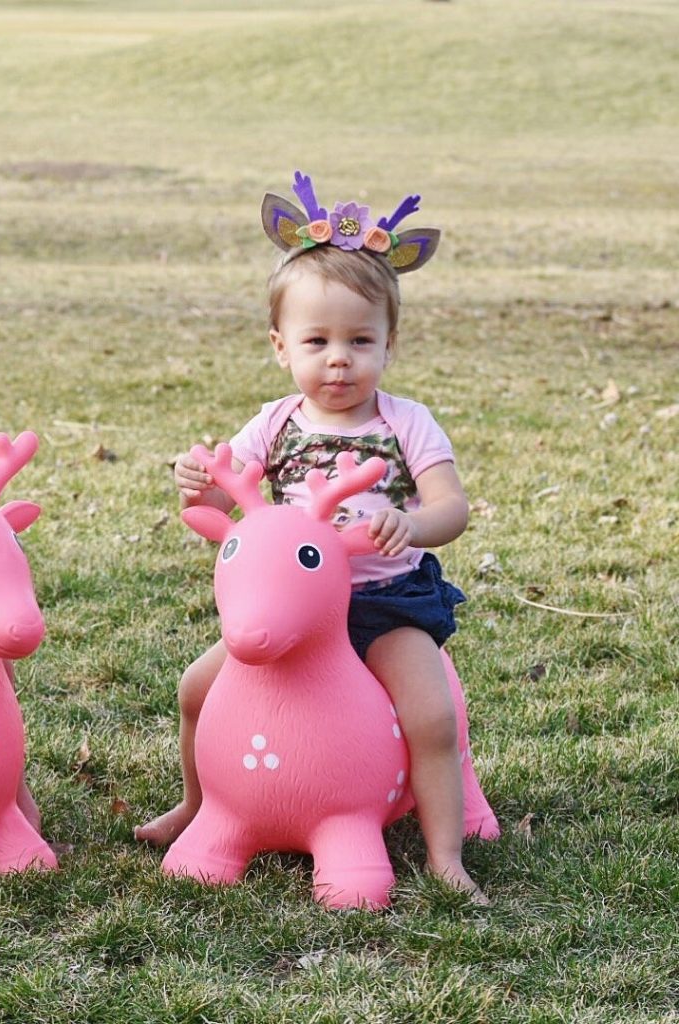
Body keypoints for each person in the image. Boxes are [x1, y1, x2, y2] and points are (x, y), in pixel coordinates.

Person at [136, 172, 488, 902]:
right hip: (292, 613)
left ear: (390, 342)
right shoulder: (273, 423)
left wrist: (411, 523)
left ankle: (446, 851)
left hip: (385, 603)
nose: (339, 359)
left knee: (429, 713)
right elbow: (225, 498)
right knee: (197, 687)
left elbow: (452, 508)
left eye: (360, 340)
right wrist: (195, 480)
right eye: (317, 340)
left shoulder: (406, 422)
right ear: (279, 344)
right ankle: (198, 803)